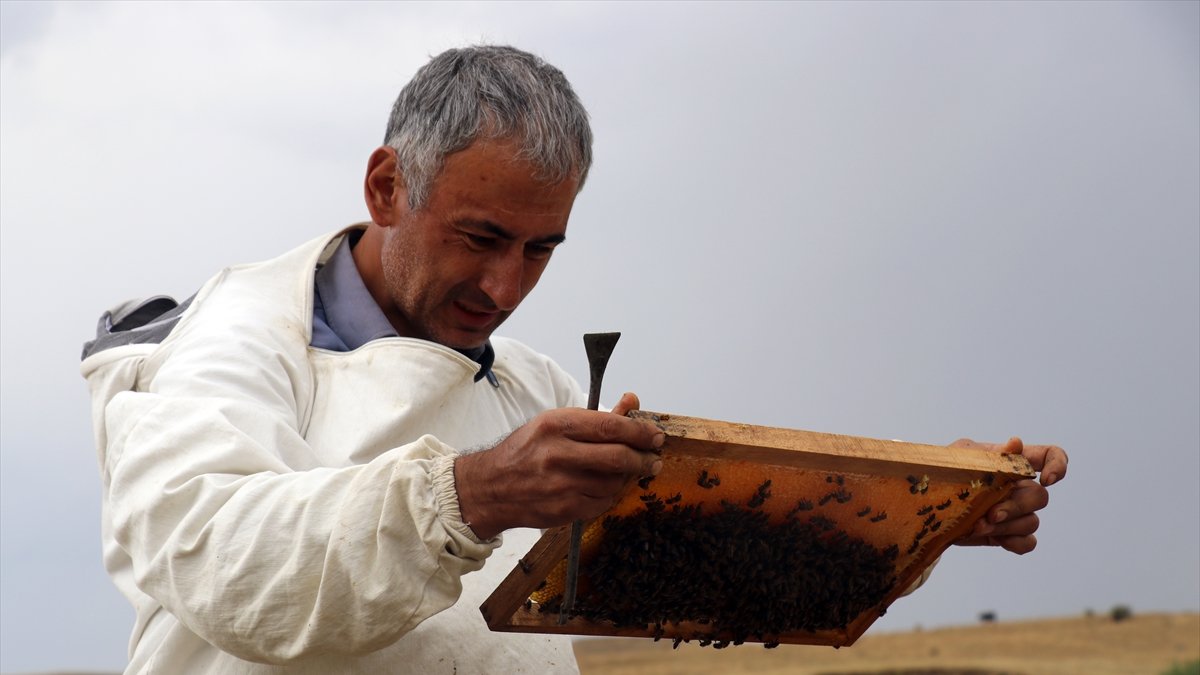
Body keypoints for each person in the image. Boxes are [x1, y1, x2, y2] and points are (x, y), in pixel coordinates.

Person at [80, 45, 1067, 674]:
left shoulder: (531, 390)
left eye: (541, 249)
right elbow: (230, 570)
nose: (506, 287)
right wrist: (469, 495)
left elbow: (706, 578)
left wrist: (919, 517)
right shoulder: (228, 350)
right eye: (479, 236)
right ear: (388, 187)